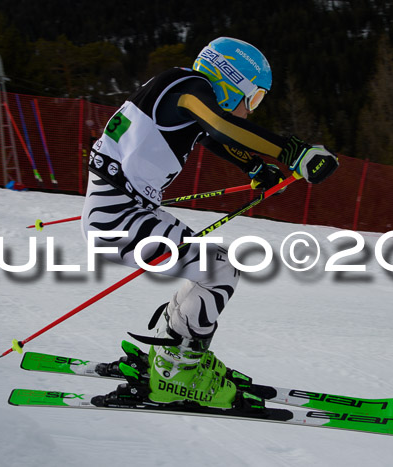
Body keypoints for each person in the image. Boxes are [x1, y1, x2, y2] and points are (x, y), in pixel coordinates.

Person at [81, 37, 338, 408]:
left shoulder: (178, 86)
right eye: (254, 98)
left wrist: (251, 165)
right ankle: (178, 370)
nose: (251, 110)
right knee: (219, 270)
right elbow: (219, 125)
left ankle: (168, 356)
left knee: (213, 264)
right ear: (232, 80)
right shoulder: (190, 89)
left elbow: (210, 133)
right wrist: (292, 152)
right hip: (117, 221)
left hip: (121, 213)